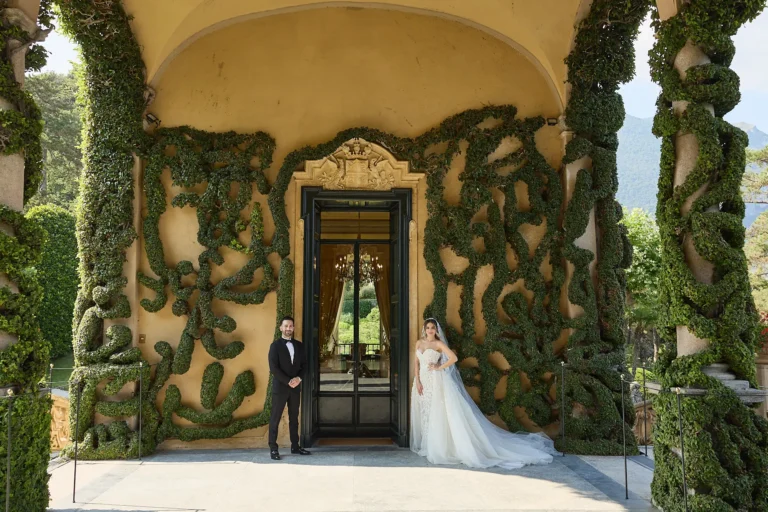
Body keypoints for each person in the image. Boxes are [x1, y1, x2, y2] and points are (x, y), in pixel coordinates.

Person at [410, 318, 559, 469]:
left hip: (436, 382)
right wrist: (417, 380)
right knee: (426, 412)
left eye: (432, 328)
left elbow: (453, 358)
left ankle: (439, 448)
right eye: (428, 327)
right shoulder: (419, 343)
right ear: (424, 328)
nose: (430, 330)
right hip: (422, 381)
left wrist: (439, 366)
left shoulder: (439, 344)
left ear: (436, 330)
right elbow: (416, 362)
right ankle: (429, 445)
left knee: (437, 413)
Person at [268, 316, 310, 460]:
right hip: (280, 387)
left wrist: (298, 379)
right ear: (281, 328)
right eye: (286, 326)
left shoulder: (299, 345)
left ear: (293, 327)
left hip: (295, 387)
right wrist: (288, 381)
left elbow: (305, 365)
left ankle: (295, 446)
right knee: (275, 417)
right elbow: (273, 368)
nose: (288, 328)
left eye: (291, 326)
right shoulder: (275, 346)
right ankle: (273, 449)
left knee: (294, 418)